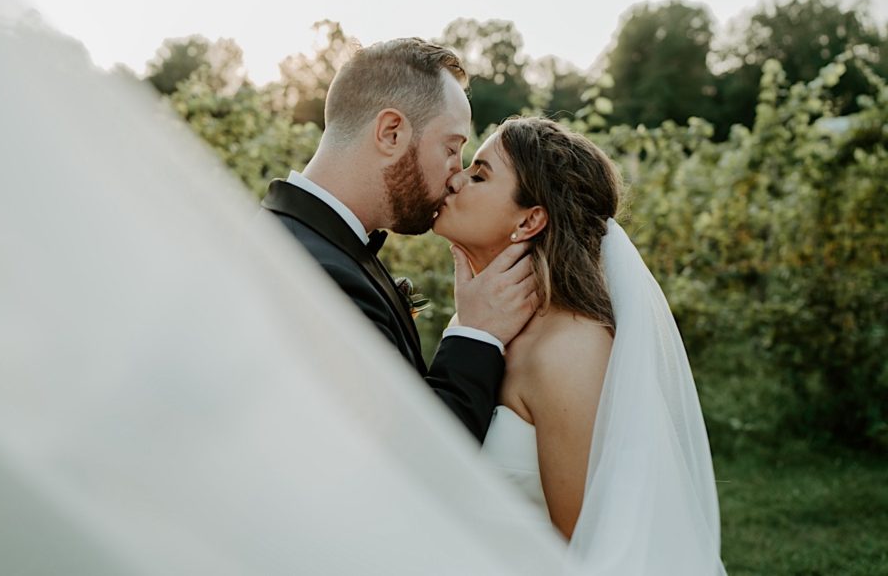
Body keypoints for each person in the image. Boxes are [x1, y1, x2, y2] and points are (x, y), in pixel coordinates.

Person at [434, 117, 726, 573]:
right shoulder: (482, 323)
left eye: (480, 175)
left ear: (530, 219)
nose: (454, 180)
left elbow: (588, 549)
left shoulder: (569, 349)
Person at [261, 38, 538, 441]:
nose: (456, 175)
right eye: (451, 148)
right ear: (391, 133)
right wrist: (477, 334)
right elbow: (416, 455)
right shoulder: (310, 271)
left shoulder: (317, 242)